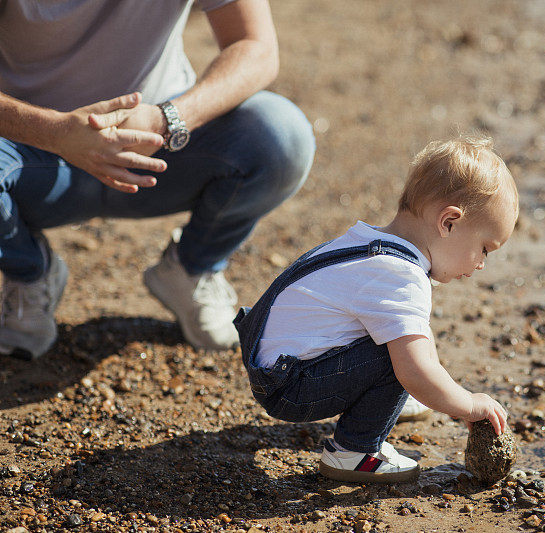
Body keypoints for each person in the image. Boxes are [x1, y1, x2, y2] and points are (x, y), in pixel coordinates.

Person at [0, 0, 316, 359]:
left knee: (281, 136)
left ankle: (192, 269)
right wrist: (54, 132)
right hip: (29, 157)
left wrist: (167, 120)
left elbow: (256, 47)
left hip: (162, 146)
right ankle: (28, 272)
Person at [235, 137, 517, 483]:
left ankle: (384, 403)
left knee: (408, 339)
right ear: (449, 223)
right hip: (288, 387)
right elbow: (415, 369)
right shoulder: (401, 277)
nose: (482, 264)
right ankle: (354, 451)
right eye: (485, 249)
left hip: (271, 362)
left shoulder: (371, 245)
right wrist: (467, 404)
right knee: (402, 357)